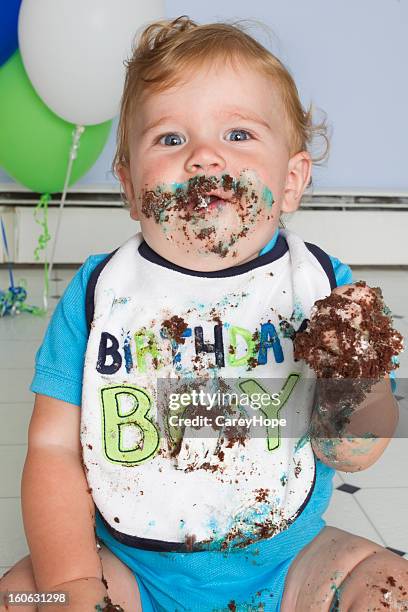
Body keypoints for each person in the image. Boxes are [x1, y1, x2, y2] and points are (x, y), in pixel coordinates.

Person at [1, 15, 406, 612]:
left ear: (291, 181)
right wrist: (79, 584)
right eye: (170, 139)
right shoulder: (98, 295)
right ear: (131, 186)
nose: (203, 155)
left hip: (289, 562)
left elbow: (354, 452)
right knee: (28, 595)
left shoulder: (321, 290)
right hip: (130, 568)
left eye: (238, 134)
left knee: (388, 582)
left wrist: (356, 376)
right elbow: (55, 451)